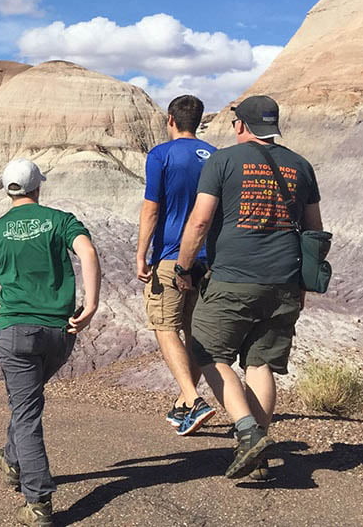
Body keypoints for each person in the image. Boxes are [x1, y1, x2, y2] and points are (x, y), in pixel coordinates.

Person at [174, 95, 322, 480]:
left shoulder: (223, 161)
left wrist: (184, 267)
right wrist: (303, 281)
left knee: (206, 351)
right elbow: (315, 231)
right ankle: (256, 454)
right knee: (260, 363)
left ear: (241, 125)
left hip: (233, 278)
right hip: (285, 281)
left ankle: (247, 431)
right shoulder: (302, 166)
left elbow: (200, 221)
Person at [0, 159, 101, 527]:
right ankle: (12, 459)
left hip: (16, 333)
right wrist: (91, 304)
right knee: (28, 402)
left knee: (26, 413)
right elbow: (88, 252)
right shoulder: (60, 221)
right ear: (37, 188)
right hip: (60, 333)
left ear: (5, 189)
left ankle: (38, 500)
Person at [135, 95, 218, 436]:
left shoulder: (161, 155)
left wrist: (141, 253)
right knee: (194, 332)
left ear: (170, 119)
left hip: (170, 257)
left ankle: (193, 398)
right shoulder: (215, 155)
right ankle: (185, 405)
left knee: (165, 327)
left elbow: (152, 208)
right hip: (208, 260)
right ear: (197, 120)